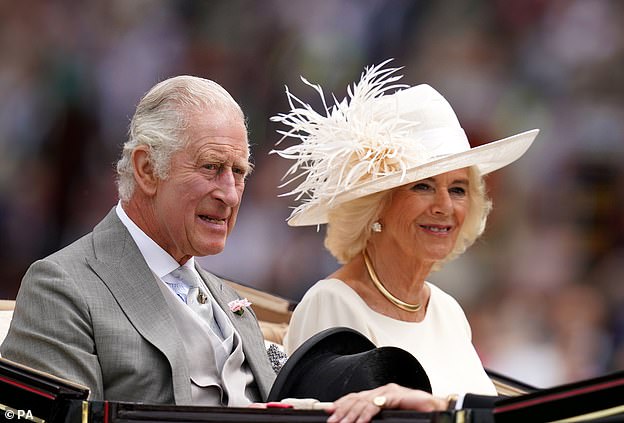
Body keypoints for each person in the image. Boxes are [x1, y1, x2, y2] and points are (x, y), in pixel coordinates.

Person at [271, 60, 539, 418]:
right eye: (423, 186)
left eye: (458, 189)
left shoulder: (447, 311)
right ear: (377, 204)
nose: (445, 206)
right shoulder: (333, 303)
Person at [0, 76, 276, 406]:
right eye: (211, 167)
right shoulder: (62, 288)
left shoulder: (231, 301)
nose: (229, 194)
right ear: (146, 169)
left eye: (239, 172)